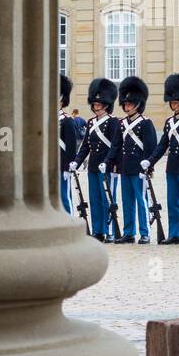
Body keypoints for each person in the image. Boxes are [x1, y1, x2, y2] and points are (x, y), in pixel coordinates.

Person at [142, 73, 179, 245]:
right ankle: (175, 232)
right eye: (172, 102)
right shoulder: (169, 122)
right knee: (173, 201)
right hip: (172, 167)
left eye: (176, 102)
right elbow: (162, 146)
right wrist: (150, 160)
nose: (173, 104)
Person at [69, 77, 120, 242]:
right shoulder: (91, 123)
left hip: (107, 166)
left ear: (106, 105)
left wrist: (107, 161)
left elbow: (115, 146)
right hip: (93, 167)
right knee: (95, 200)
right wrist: (77, 161)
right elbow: (85, 146)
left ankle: (110, 230)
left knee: (107, 200)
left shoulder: (113, 122)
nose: (96, 107)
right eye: (95, 105)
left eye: (99, 105)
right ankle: (98, 230)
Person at [114, 76, 157, 244]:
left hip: (139, 169)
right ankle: (129, 232)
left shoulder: (146, 123)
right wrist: (112, 163)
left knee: (141, 201)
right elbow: (117, 146)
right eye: (125, 103)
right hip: (125, 167)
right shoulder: (122, 123)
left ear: (138, 104)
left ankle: (145, 232)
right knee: (127, 202)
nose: (127, 106)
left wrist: (149, 167)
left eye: (130, 103)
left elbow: (150, 147)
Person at [58, 74, 79, 215]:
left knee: (65, 197)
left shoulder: (67, 121)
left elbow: (71, 147)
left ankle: (69, 220)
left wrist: (68, 167)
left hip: (62, 165)